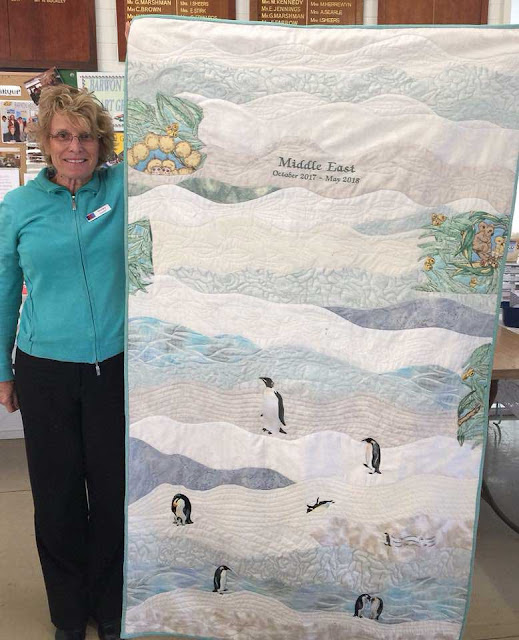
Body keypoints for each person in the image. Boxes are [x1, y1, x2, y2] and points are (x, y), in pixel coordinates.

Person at [0, 85, 125, 640]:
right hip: (44, 370)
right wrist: (2, 371)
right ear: (46, 143)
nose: (76, 147)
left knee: (114, 494)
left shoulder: (123, 190)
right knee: (57, 498)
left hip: (115, 368)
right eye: (63, 136)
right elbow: (5, 290)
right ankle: (69, 613)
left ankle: (111, 604)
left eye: (87, 137)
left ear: (102, 143)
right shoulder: (19, 207)